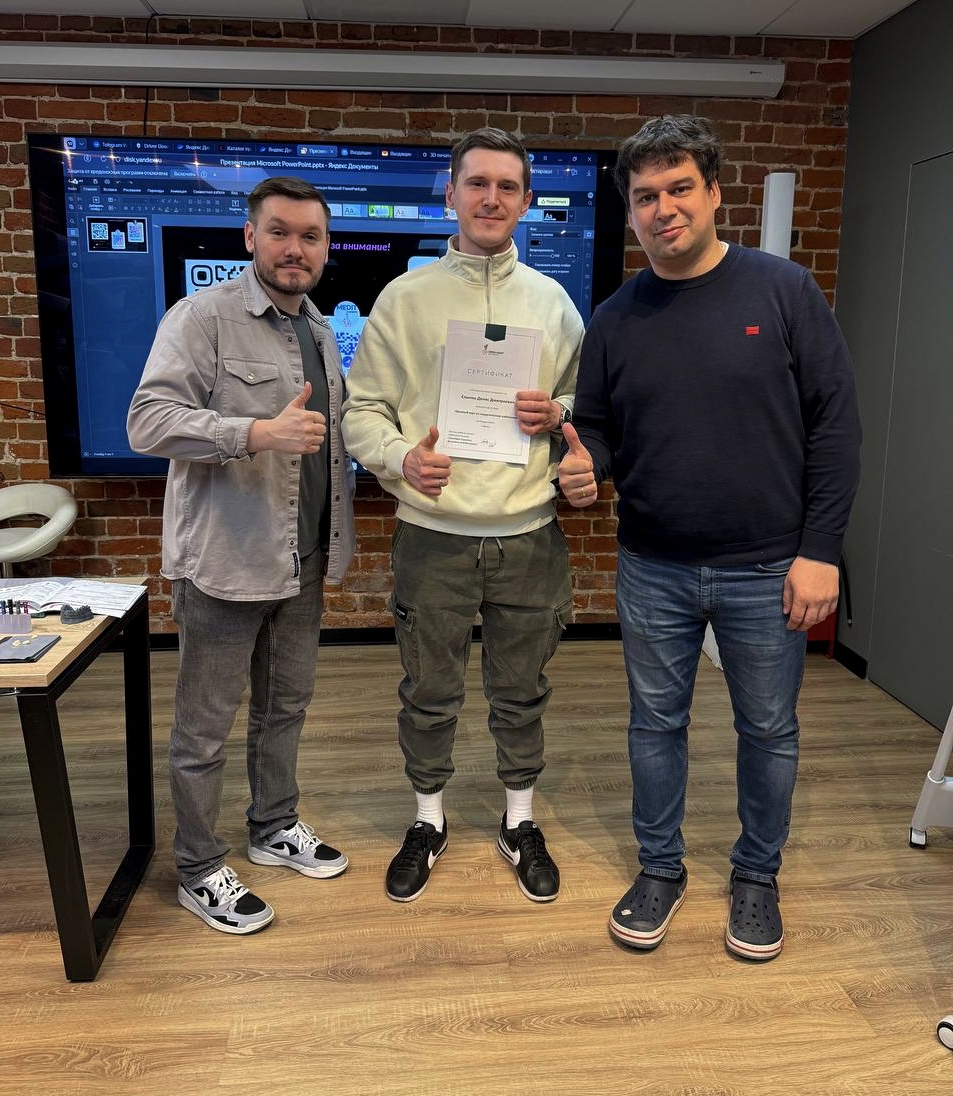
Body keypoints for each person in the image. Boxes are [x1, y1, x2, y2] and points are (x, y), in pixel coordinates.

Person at [558, 115, 861, 961]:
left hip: (770, 566)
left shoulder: (783, 291)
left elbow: (836, 426)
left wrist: (821, 550)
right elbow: (597, 427)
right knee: (655, 726)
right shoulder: (615, 316)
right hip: (652, 564)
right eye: (645, 196)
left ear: (715, 192)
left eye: (679, 188)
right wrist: (586, 468)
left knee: (767, 730)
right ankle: (661, 868)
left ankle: (757, 876)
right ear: (630, 210)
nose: (663, 209)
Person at [341, 128, 583, 904]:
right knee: (428, 691)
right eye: (477, 183)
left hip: (529, 537)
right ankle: (428, 820)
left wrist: (559, 413)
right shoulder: (404, 299)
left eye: (507, 186)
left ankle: (519, 820)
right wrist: (400, 459)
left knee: (522, 690)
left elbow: (587, 401)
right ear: (449, 195)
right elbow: (361, 412)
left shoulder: (551, 303)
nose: (491, 198)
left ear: (526, 201)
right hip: (433, 537)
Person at [127, 177, 356, 935]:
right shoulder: (204, 317)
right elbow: (147, 421)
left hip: (301, 560)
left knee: (285, 708)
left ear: (325, 247)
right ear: (250, 238)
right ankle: (198, 868)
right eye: (280, 232)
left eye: (311, 236)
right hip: (226, 562)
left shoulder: (318, 329)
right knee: (204, 731)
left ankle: (274, 825)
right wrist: (254, 434)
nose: (296, 249)